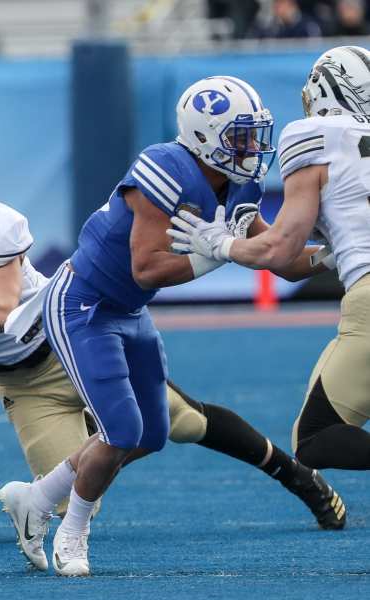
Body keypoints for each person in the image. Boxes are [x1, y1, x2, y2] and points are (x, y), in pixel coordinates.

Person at [0, 160, 346, 573]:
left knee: (182, 421)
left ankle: (298, 475)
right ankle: (102, 430)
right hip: (17, 382)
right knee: (81, 483)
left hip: (63, 344)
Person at [169, 46, 370, 473]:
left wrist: (219, 245)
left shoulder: (313, 134)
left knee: (315, 438)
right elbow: (293, 259)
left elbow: (279, 248)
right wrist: (327, 258)